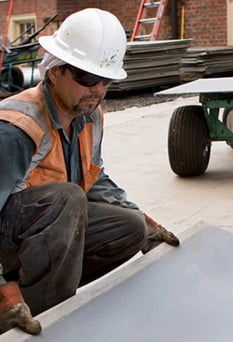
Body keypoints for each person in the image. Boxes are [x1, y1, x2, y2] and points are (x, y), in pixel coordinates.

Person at [0, 8, 179, 335]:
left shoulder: (89, 115)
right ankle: (32, 316)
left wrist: (143, 218)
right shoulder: (17, 129)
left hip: (36, 235)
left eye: (105, 79)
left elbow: (93, 176)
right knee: (65, 199)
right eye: (85, 77)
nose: (96, 89)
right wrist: (3, 292)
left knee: (130, 227)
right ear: (54, 72)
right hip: (7, 240)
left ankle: (36, 303)